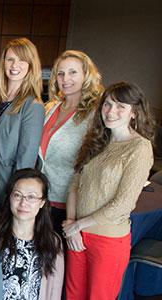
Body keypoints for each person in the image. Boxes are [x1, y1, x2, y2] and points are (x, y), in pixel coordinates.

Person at [64, 82, 156, 300]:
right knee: (73, 296)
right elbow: (75, 185)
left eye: (120, 106)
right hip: (77, 235)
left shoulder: (139, 148)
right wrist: (71, 224)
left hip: (107, 240)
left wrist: (77, 224)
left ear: (134, 113)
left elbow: (123, 204)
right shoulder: (96, 140)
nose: (111, 112)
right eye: (107, 104)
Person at [39, 50, 103, 237]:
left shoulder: (95, 114)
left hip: (69, 205)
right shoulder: (51, 107)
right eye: (61, 73)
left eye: (73, 72)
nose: (65, 78)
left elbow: (94, 162)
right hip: (42, 197)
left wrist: (74, 218)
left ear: (86, 75)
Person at [0, 168, 64, 300]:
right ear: (9, 197)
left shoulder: (53, 242)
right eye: (17, 195)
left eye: (31, 197)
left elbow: (54, 290)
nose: (23, 203)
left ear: (42, 202)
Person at [0, 38, 45, 208]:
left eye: (22, 60)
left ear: (31, 65)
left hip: (5, 187)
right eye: (10, 59)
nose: (15, 65)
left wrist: (14, 195)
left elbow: (26, 159)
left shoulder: (32, 105)